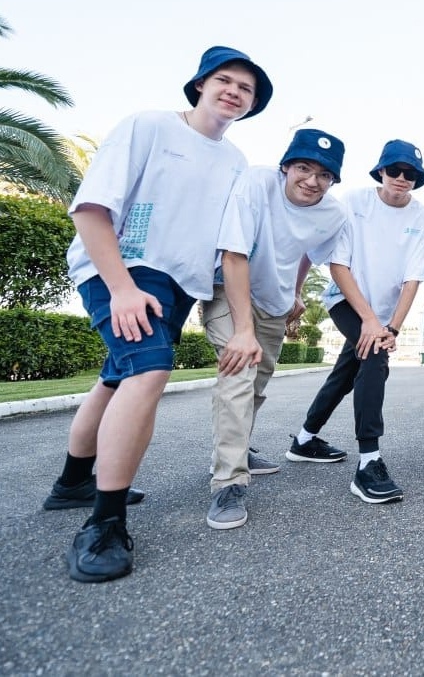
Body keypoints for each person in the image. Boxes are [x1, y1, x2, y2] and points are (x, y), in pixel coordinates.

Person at [44, 46, 270, 583]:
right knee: (149, 370)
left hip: (180, 284)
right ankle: (104, 524)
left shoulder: (236, 161)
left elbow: (230, 247)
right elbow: (91, 209)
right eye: (224, 79)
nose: (234, 91)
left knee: (116, 377)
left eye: (246, 88)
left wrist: (246, 317)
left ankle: (72, 484)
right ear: (199, 84)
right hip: (123, 269)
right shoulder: (148, 126)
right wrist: (121, 288)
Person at [202, 129, 348, 530]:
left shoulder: (333, 214)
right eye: (303, 168)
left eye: (324, 175)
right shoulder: (256, 183)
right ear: (285, 167)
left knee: (256, 385)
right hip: (229, 289)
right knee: (238, 374)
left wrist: (296, 292)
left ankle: (236, 451)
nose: (312, 181)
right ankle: (228, 481)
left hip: (274, 302)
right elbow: (233, 254)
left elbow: (311, 252)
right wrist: (242, 330)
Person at [286, 140, 424, 505]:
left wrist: (392, 328)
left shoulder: (423, 218)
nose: (402, 178)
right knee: (374, 358)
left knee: (346, 371)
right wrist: (369, 321)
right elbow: (339, 265)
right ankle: (368, 461)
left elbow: (412, 279)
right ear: (381, 171)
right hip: (345, 299)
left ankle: (304, 440)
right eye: (394, 170)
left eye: (410, 174)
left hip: (382, 317)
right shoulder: (354, 202)